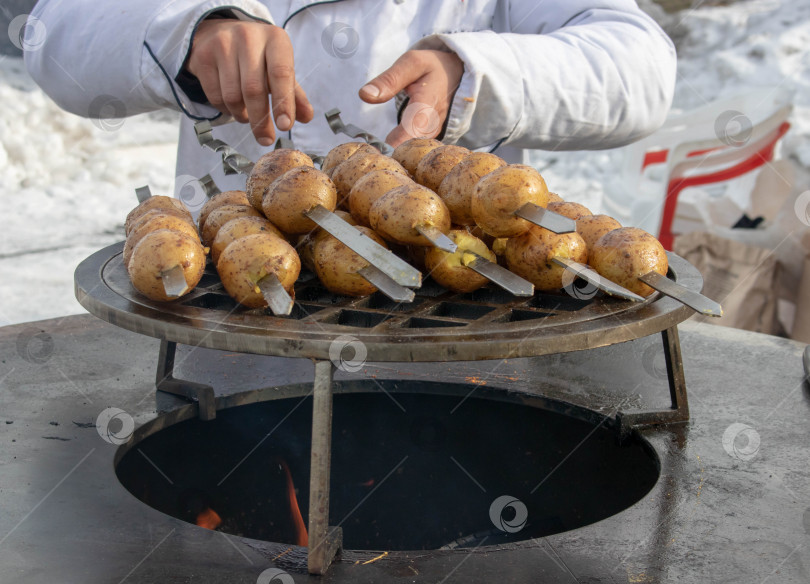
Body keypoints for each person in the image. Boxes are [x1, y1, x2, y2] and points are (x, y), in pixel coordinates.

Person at [25, 0, 676, 194]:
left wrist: (479, 71)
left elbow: (640, 67)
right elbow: (55, 29)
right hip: (236, 334)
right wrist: (193, 32)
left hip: (456, 339)